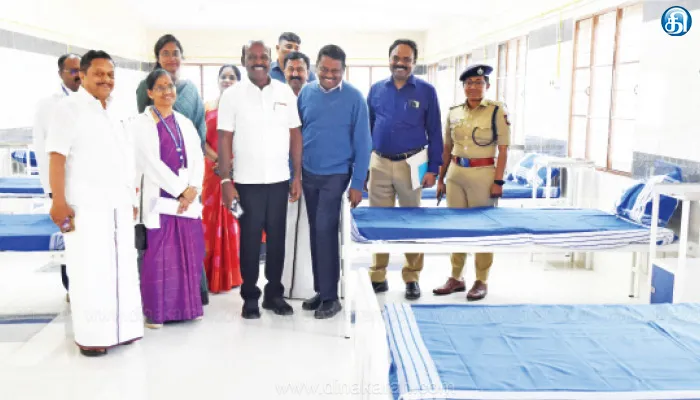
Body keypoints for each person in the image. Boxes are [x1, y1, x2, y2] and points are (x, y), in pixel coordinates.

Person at [46, 50, 143, 356]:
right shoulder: (68, 109)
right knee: (90, 271)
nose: (106, 79)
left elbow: (126, 157)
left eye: (111, 74)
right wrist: (58, 202)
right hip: (85, 207)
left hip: (118, 205)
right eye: (99, 73)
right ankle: (93, 336)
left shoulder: (116, 108)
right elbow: (57, 158)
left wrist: (132, 197)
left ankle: (124, 329)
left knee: (122, 269)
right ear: (83, 75)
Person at [217, 40, 302, 319]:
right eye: (252, 57)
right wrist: (226, 182)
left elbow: (295, 134)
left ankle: (274, 295)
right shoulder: (232, 96)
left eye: (262, 56)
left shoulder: (284, 92)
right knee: (250, 242)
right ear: (243, 61)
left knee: (277, 240)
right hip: (246, 183)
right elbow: (224, 138)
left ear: (270, 59)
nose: (258, 61)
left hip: (279, 181)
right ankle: (250, 297)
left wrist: (297, 175)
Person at [297, 45, 371, 319]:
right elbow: (298, 133)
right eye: (324, 70)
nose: (329, 75)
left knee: (326, 230)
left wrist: (358, 182)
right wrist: (295, 173)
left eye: (335, 71)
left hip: (337, 174)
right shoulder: (306, 93)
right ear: (316, 67)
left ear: (343, 70)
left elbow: (363, 142)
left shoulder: (354, 98)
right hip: (309, 173)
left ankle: (331, 297)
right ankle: (322, 290)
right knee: (316, 233)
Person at [135, 33, 209, 305]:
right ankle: (159, 305)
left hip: (188, 186)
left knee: (187, 244)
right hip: (161, 188)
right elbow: (148, 156)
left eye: (175, 52)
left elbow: (198, 143)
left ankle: (190, 301)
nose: (167, 91)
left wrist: (193, 188)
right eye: (165, 53)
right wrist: (180, 190)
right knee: (160, 248)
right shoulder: (142, 110)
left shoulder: (187, 105)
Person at [366, 39, 442, 300]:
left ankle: (412, 277)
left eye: (407, 59)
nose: (400, 63)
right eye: (396, 58)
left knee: (413, 222)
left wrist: (433, 168)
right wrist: (363, 165)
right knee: (379, 221)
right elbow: (367, 128)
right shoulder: (376, 89)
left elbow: (435, 131)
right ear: (389, 59)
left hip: (414, 163)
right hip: (379, 162)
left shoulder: (426, 91)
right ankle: (378, 275)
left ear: (414, 63)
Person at [433, 64, 511, 301]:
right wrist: (441, 179)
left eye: (478, 83)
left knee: (483, 229)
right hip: (456, 174)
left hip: (483, 173)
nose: (473, 87)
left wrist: (498, 181)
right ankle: (456, 277)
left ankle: (481, 280)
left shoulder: (496, 110)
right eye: (469, 83)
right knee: (455, 228)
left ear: (487, 86)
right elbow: (447, 148)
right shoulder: (454, 112)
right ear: (463, 87)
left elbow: (503, 149)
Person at [33, 53, 82, 301]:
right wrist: (52, 191)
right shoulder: (47, 106)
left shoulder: (93, 101)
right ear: (60, 73)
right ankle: (71, 287)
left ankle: (88, 285)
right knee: (69, 237)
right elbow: (42, 150)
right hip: (61, 186)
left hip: (88, 186)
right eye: (72, 70)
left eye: (80, 69)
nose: (77, 75)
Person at [202, 65, 243, 294]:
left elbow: (248, 139)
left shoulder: (243, 109)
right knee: (208, 221)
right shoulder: (207, 107)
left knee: (235, 219)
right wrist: (218, 160)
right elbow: (200, 138)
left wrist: (230, 162)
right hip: (211, 173)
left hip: (236, 173)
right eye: (223, 77)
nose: (227, 80)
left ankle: (233, 274)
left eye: (232, 77)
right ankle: (209, 274)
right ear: (217, 80)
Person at [280, 51, 314, 300]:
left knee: (308, 233)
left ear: (308, 72)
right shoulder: (277, 97)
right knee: (284, 231)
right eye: (290, 69)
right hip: (280, 175)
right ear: (283, 72)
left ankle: (307, 286)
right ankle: (282, 285)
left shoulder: (315, 97)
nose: (295, 74)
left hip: (312, 175)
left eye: (300, 69)